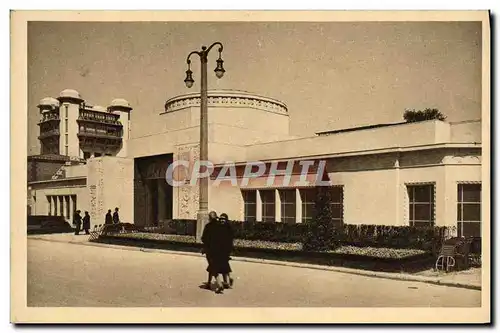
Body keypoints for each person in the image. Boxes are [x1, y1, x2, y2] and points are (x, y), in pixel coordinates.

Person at [201, 211, 225, 294]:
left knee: (212, 266)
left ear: (210, 218)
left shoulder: (208, 226)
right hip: (220, 250)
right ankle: (208, 283)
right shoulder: (221, 226)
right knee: (212, 266)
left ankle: (219, 284)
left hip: (210, 250)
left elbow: (203, 238)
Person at [219, 213, 235, 289]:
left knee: (223, 265)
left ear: (226, 220)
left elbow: (230, 240)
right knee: (225, 265)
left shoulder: (228, 228)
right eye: (221, 219)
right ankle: (228, 279)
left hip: (225, 249)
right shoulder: (219, 227)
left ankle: (226, 281)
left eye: (223, 219)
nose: (222, 220)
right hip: (221, 249)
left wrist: (229, 250)